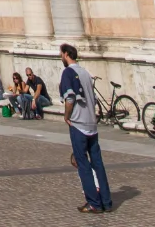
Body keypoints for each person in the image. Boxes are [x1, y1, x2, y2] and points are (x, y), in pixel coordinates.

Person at [59, 44, 112, 214]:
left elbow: (70, 97)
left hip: (79, 124)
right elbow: (93, 98)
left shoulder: (68, 72)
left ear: (66, 54)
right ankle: (107, 202)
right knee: (98, 163)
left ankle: (93, 203)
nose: (60, 57)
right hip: (92, 124)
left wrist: (67, 116)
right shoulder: (85, 73)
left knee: (83, 164)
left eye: (61, 54)